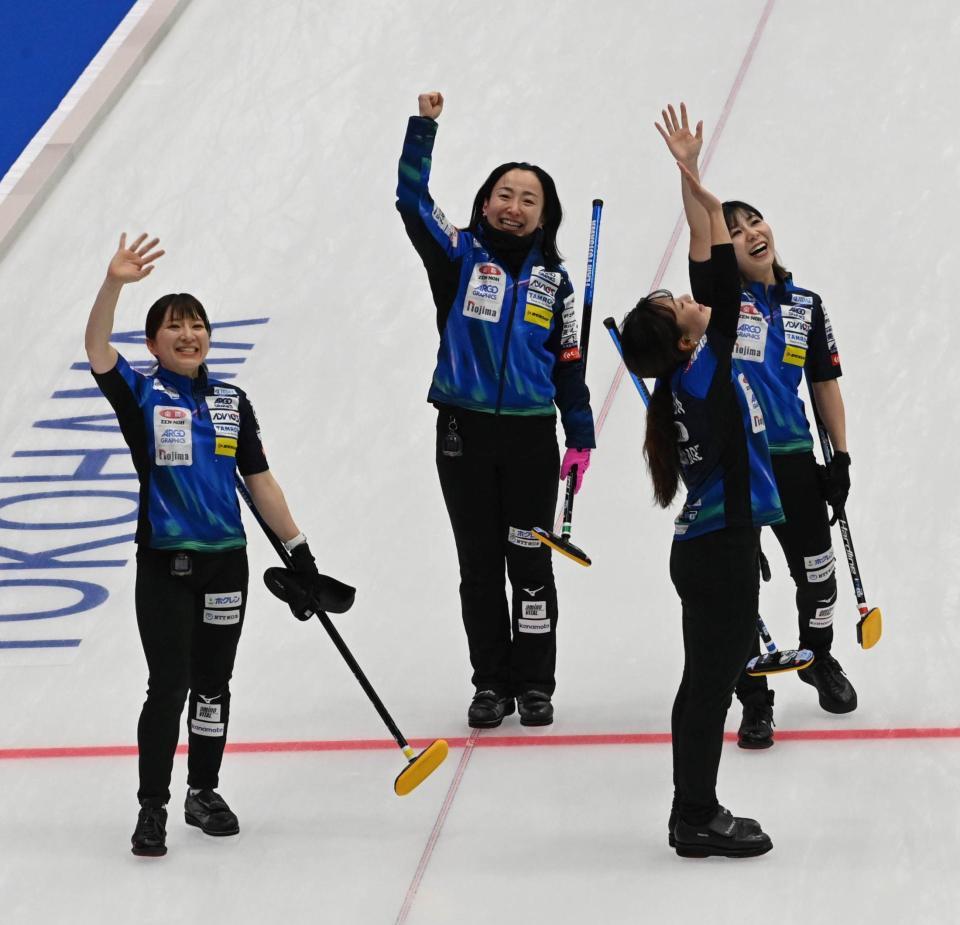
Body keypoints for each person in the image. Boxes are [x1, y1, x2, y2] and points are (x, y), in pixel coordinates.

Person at [85, 234, 332, 857]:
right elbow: (96, 348)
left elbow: (260, 480)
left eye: (197, 325)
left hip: (227, 566)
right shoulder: (140, 394)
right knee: (169, 684)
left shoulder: (231, 402)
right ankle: (152, 807)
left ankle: (204, 791)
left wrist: (298, 549)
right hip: (165, 565)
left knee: (214, 684)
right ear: (153, 344)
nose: (188, 335)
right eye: (174, 327)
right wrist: (113, 283)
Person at [655, 104, 856, 751]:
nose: (748, 234)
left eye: (754, 222)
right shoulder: (719, 302)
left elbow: (823, 381)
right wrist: (689, 173)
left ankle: (819, 655)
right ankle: (755, 699)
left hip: (794, 457)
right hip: (739, 464)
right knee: (738, 589)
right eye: (735, 230)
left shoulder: (806, 305)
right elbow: (701, 233)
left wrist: (840, 457)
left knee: (817, 572)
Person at [396, 92, 595, 729]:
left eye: (528, 199)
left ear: (545, 215)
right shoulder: (457, 255)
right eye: (504, 195)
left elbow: (569, 364)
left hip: (532, 439)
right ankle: (490, 684)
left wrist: (580, 434)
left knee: (530, 563)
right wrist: (424, 128)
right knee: (479, 567)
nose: (514, 206)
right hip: (463, 432)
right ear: (484, 203)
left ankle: (535, 684)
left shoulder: (557, 284)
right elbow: (411, 200)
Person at [619, 148, 780, 857]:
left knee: (703, 684)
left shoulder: (684, 379)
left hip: (712, 546)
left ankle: (691, 811)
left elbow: (705, 269)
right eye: (680, 305)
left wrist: (692, 184)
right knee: (710, 689)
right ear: (686, 339)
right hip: (717, 551)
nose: (690, 297)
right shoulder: (703, 369)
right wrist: (706, 205)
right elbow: (713, 271)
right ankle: (696, 816)